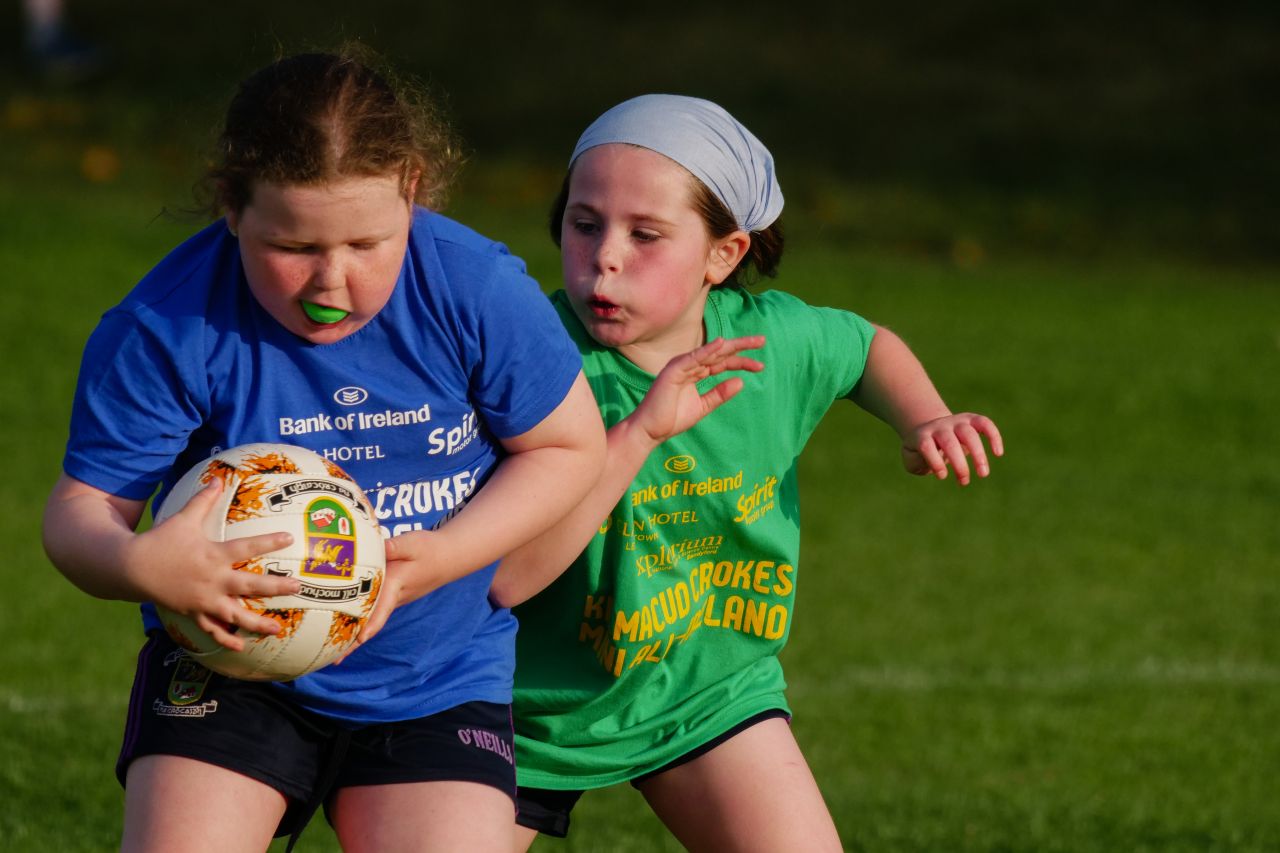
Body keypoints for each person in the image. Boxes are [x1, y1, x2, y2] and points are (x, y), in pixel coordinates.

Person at [41, 50, 605, 852]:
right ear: (231, 205)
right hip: (231, 671)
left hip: (436, 674)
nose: (331, 281)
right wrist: (139, 565)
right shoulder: (167, 327)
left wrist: (444, 555)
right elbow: (77, 511)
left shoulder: (472, 288)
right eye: (294, 245)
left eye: (369, 243)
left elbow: (566, 445)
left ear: (412, 189)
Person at [491, 94, 1004, 851]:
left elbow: (864, 346)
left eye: (646, 235)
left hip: (709, 686)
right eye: (584, 221)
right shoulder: (526, 354)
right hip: (521, 707)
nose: (605, 255)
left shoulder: (770, 345)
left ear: (723, 254)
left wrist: (924, 416)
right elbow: (501, 572)